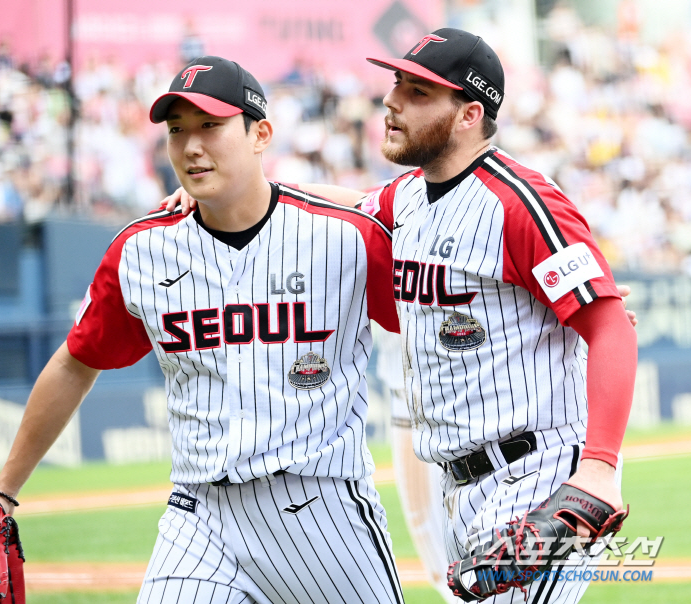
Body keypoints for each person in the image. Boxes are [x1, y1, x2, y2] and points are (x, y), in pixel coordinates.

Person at [166, 29, 638, 602]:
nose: (392, 99)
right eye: (397, 83)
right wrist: (226, 191)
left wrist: (600, 469)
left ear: (468, 114)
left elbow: (609, 324)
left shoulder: (518, 201)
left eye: (418, 91)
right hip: (461, 484)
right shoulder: (408, 197)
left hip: (537, 475)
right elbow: (343, 201)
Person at [0, 56, 407, 604]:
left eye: (210, 126)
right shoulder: (142, 249)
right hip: (199, 517)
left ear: (261, 133)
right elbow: (76, 360)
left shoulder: (347, 238)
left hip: (323, 512)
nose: (191, 146)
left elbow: (438, 301)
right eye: (177, 130)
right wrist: (3, 492)